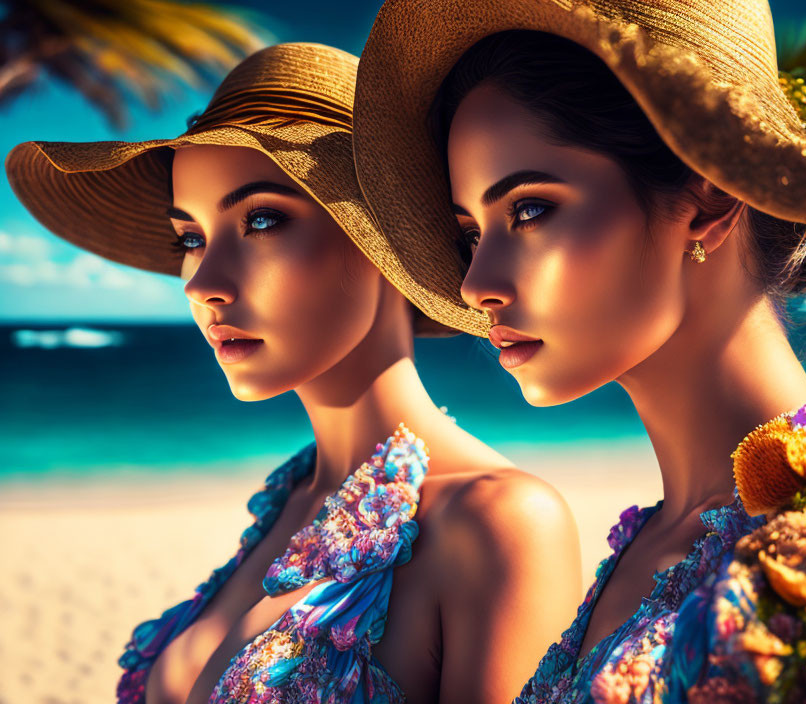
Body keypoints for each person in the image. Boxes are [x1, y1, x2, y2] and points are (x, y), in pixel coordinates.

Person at [350, 1, 806, 701]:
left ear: (707, 196)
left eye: (529, 209)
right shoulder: (652, 544)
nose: (476, 283)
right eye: (471, 233)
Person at [6, 42, 582, 704]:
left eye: (262, 220)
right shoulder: (291, 498)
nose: (203, 285)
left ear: (383, 244)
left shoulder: (499, 521)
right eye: (190, 239)